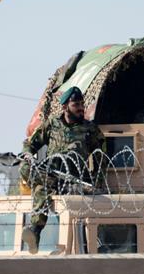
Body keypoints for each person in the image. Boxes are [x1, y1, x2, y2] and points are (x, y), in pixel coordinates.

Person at [20, 86, 106, 254]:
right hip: (51, 174)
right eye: (76, 104)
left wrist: (97, 180)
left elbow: (101, 156)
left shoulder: (90, 129)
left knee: (43, 189)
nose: (81, 108)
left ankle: (39, 231)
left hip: (74, 179)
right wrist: (28, 155)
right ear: (65, 106)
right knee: (37, 182)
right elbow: (30, 144)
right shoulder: (52, 125)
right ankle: (35, 233)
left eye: (82, 104)